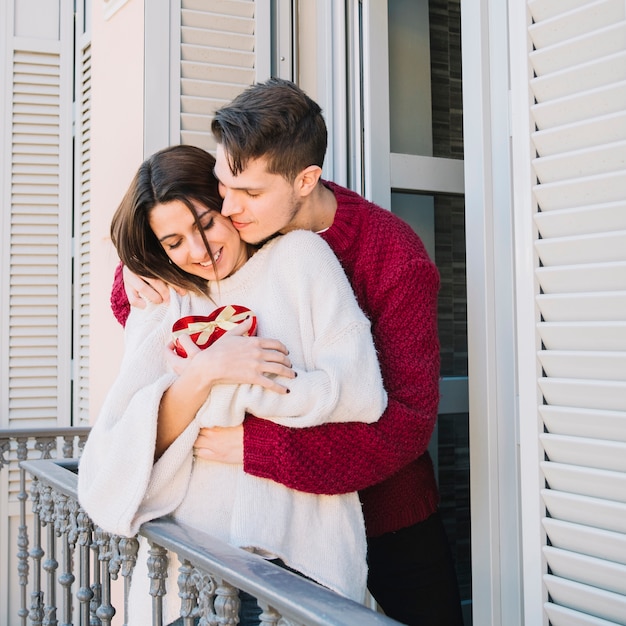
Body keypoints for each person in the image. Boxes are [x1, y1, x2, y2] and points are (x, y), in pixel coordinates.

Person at [112, 78, 464, 626]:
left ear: (305, 180)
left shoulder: (394, 258)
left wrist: (258, 448)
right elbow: (166, 288)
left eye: (248, 194)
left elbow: (406, 424)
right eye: (224, 185)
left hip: (385, 507)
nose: (229, 207)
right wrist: (132, 270)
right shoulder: (243, 220)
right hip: (278, 523)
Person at [79, 144, 387, 625]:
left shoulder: (301, 259)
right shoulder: (166, 297)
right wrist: (207, 371)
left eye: (206, 223)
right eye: (174, 242)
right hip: (193, 570)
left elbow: (361, 393)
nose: (198, 251)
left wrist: (240, 394)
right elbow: (118, 457)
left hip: (295, 566)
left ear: (226, 200)